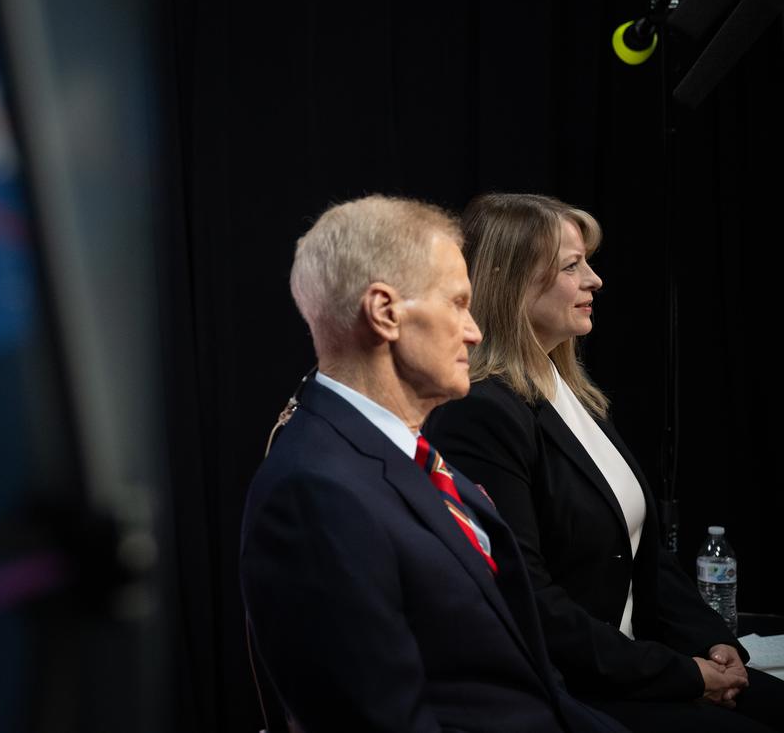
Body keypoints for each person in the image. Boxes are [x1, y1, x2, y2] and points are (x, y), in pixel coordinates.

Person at [240, 195, 626, 732]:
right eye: (457, 303)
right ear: (385, 313)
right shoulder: (315, 492)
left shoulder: (407, 452)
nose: (474, 330)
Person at [423, 192, 784, 732]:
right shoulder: (478, 412)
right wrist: (684, 674)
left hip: (643, 667)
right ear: (511, 280)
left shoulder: (571, 392)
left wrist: (713, 641)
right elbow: (529, 600)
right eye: (572, 266)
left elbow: (645, 555)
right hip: (575, 690)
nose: (594, 280)